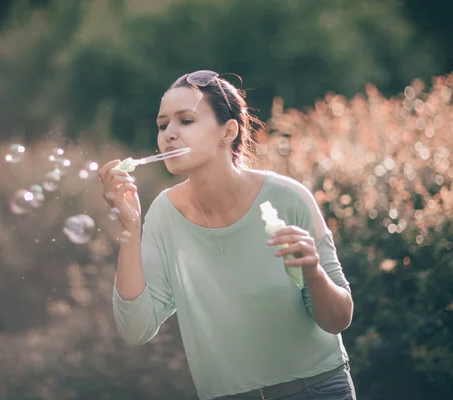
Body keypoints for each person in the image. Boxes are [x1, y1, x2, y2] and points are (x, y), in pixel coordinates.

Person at [98, 70, 356, 400]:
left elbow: (338, 320)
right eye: (163, 125)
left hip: (316, 387)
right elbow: (136, 330)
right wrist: (130, 230)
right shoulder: (163, 215)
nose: (169, 135)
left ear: (228, 131)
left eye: (185, 121)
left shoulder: (289, 198)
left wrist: (314, 273)